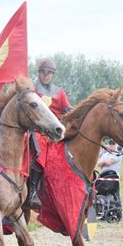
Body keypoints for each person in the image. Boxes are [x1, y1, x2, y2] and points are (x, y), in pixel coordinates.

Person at [25, 58, 73, 208]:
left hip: (56, 132)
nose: (46, 76)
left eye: (49, 73)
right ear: (39, 73)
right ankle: (33, 190)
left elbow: (68, 110)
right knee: (39, 147)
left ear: (53, 75)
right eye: (43, 72)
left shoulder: (60, 93)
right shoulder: (32, 90)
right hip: (37, 131)